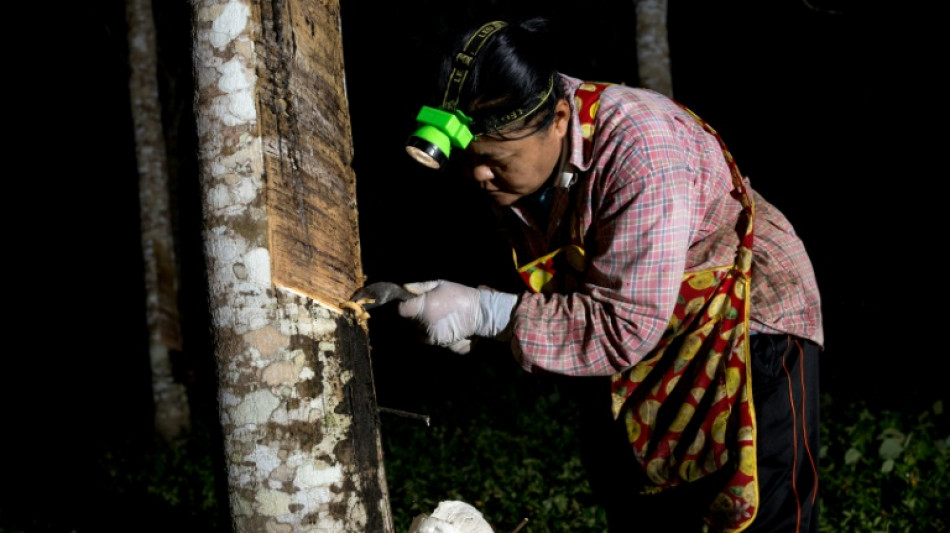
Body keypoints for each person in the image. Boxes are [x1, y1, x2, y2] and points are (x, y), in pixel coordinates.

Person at [393, 16, 823, 533]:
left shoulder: (642, 148)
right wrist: (478, 311)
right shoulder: (517, 157)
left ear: (557, 119)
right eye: (469, 159)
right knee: (638, 497)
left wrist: (487, 313)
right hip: (648, 334)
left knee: (753, 506)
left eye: (496, 161)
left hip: (747, 319)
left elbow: (625, 324)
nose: (479, 175)